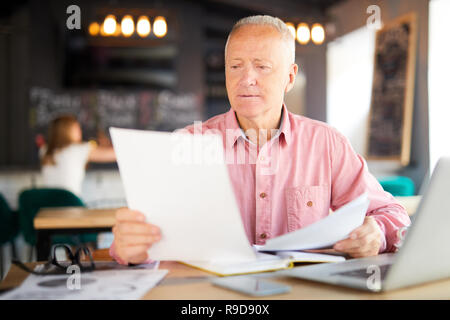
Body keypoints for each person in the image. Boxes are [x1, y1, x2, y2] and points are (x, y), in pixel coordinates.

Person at [110, 15, 411, 265]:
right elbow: (140, 245)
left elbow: (392, 214)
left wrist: (378, 234)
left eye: (262, 66)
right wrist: (131, 250)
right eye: (235, 66)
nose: (246, 79)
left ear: (290, 78)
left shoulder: (326, 144)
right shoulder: (187, 144)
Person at [40, 115, 116, 197]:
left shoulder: (43, 150)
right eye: (77, 128)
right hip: (70, 202)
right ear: (67, 131)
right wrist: (107, 143)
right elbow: (115, 154)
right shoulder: (79, 149)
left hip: (47, 204)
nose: (80, 131)